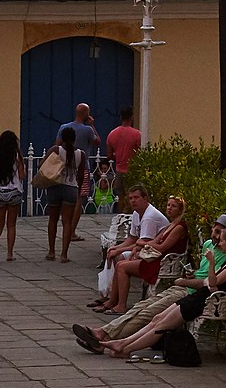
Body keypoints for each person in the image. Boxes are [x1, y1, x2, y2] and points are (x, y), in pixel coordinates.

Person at [73, 214, 226, 348]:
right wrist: (190, 274)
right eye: (215, 231)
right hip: (184, 287)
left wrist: (184, 282)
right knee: (141, 306)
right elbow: (202, 271)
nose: (216, 236)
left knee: (147, 313)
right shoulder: (208, 244)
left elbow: (209, 282)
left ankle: (103, 337)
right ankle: (104, 333)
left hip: (191, 292)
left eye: (220, 234)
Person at [93, 196, 188, 315]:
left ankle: (121, 305)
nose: (169, 208)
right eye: (168, 205)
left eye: (173, 206)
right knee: (121, 264)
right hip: (155, 258)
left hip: (162, 262)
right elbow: (154, 242)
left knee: (122, 266)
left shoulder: (179, 227)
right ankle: (112, 301)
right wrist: (140, 245)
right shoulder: (170, 225)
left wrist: (141, 243)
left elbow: (162, 247)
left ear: (180, 210)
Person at [57, 103, 100, 240]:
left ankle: (65, 229)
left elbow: (57, 145)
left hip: (65, 168)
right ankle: (72, 232)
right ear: (87, 114)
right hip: (82, 167)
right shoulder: (87, 129)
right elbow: (97, 142)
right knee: (78, 200)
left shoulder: (64, 127)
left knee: (66, 201)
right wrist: (93, 125)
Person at [45, 126, 86, 263]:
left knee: (53, 219)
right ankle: (64, 254)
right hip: (71, 187)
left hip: (55, 186)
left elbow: (42, 164)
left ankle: (51, 251)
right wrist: (79, 190)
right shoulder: (81, 154)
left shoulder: (56, 150)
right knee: (67, 222)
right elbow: (81, 175)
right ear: (75, 139)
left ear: (62, 138)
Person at [0, 130, 26, 262]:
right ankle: (10, 254)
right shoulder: (17, 156)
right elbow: (22, 176)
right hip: (14, 192)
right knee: (11, 224)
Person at [104, 107, 141, 213]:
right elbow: (141, 152)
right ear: (132, 117)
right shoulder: (137, 134)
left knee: (121, 198)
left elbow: (109, 155)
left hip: (119, 170)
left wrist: (119, 154)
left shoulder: (112, 134)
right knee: (134, 198)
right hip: (132, 171)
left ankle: (121, 219)